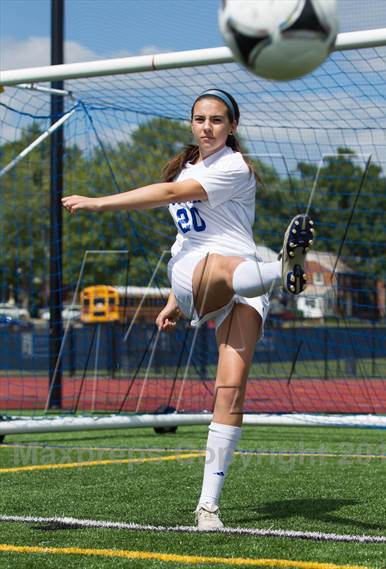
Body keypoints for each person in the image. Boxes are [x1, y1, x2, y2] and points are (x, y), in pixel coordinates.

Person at [62, 88, 314, 530]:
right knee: (217, 263)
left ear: (232, 127)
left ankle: (208, 506)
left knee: (230, 388)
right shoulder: (185, 168)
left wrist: (102, 201)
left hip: (244, 279)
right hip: (193, 271)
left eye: (217, 120)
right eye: (200, 119)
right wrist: (174, 299)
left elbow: (168, 194)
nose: (207, 127)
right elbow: (178, 218)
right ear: (191, 123)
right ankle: (283, 267)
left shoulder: (235, 166)